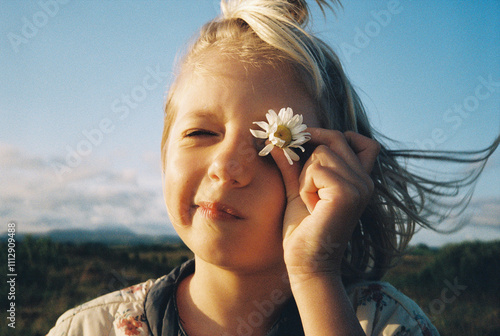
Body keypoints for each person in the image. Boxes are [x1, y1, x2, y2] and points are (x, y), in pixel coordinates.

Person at [47, 1, 498, 335]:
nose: (226, 166)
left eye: (272, 146)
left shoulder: (383, 323)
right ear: (164, 152)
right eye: (200, 133)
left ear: (328, 176)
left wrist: (315, 274)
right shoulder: (88, 328)